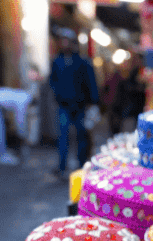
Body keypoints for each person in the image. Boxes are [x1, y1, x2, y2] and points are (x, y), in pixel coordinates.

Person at [49, 29, 99, 177]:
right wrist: (57, 95)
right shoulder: (57, 61)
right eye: (61, 40)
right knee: (63, 137)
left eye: (66, 40)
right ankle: (62, 166)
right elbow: (53, 81)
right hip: (63, 105)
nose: (63, 43)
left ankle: (82, 166)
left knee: (81, 136)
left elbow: (90, 82)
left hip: (80, 106)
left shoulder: (82, 61)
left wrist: (93, 102)